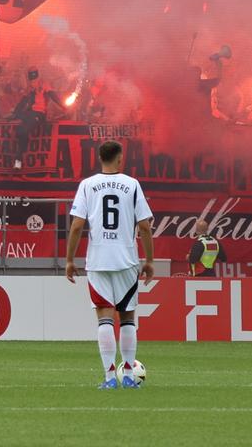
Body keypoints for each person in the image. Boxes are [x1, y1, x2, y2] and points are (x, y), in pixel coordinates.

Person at [63, 140, 154, 390]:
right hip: (126, 260)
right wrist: (149, 260)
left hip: (98, 261)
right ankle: (127, 376)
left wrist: (70, 260)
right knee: (127, 318)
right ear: (120, 158)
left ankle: (108, 378)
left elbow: (77, 226)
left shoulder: (87, 185)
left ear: (99, 158)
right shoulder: (132, 184)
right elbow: (145, 226)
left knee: (104, 319)